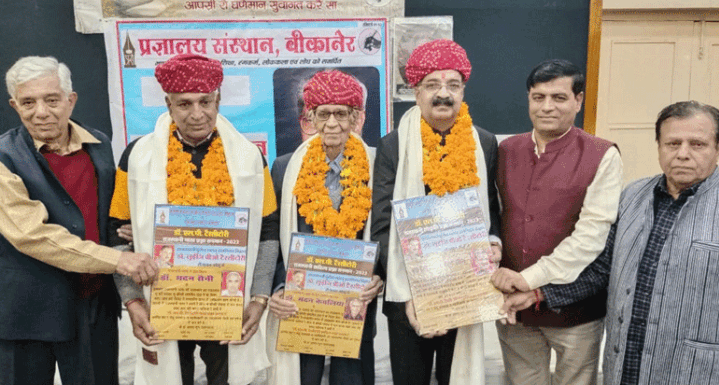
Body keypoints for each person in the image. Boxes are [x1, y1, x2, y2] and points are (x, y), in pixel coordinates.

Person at [501, 101, 719, 385]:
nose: (683, 154)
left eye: (697, 144)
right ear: (659, 146)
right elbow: (601, 272)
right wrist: (538, 295)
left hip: (702, 374)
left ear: (718, 147)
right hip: (627, 370)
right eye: (673, 143)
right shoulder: (632, 197)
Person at [0, 56, 158, 385]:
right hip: (24, 314)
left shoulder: (98, 145)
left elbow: (108, 221)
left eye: (51, 99)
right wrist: (120, 260)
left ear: (71, 100)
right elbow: (32, 235)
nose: (40, 112)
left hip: (92, 309)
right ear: (14, 105)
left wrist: (131, 235)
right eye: (28, 102)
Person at [108, 53, 279, 385]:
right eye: (185, 104)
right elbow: (115, 231)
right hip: (163, 301)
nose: (197, 114)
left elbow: (268, 229)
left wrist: (259, 298)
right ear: (168, 105)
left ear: (218, 100)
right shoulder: (137, 156)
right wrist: (131, 301)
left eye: (205, 101)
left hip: (229, 300)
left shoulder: (249, 157)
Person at [370, 39, 502, 385]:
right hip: (408, 297)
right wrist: (409, 298)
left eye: (453, 85)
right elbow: (383, 223)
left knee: (454, 377)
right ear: (416, 91)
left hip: (463, 292)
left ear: (463, 91)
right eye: (432, 85)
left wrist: (495, 242)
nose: (443, 94)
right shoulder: (393, 143)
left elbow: (491, 208)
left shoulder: (484, 142)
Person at [490, 59, 624, 385]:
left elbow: (592, 237)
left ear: (578, 100)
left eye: (559, 98)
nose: (547, 107)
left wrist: (529, 280)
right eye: (538, 97)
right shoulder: (506, 149)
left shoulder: (602, 155)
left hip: (575, 312)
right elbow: (490, 216)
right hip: (514, 310)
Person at [266, 70, 384, 385]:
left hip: (356, 301)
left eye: (341, 114)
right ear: (311, 118)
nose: (332, 123)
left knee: (353, 379)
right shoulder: (283, 167)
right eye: (323, 114)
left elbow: (387, 230)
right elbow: (272, 238)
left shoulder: (377, 165)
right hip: (300, 303)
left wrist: (380, 276)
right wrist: (277, 288)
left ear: (357, 117)